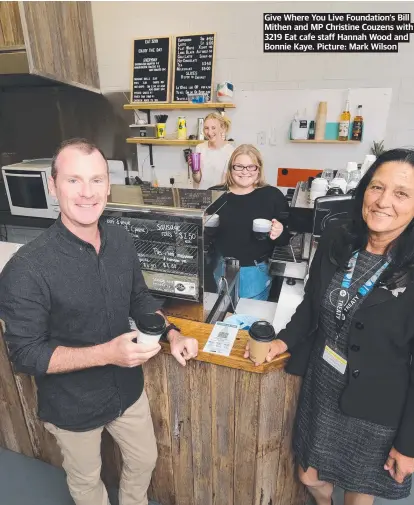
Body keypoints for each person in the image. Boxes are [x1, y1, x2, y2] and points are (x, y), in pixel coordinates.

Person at [245, 148, 414, 504]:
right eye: (377, 188)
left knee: (359, 492)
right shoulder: (337, 241)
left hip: (375, 403)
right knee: (308, 475)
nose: (383, 201)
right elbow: (311, 306)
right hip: (322, 386)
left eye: (401, 194)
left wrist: (410, 446)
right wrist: (284, 342)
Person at [0, 138, 199, 505]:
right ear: (53, 186)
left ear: (109, 186)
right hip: (71, 404)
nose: (88, 193)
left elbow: (139, 298)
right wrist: (107, 353)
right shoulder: (27, 268)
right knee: (87, 482)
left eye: (96, 180)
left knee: (145, 460)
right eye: (74, 180)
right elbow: (25, 356)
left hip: (126, 389)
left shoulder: (121, 240)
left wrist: (171, 333)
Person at [209, 143, 290, 300]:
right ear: (231, 168)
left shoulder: (272, 196)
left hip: (255, 270)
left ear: (258, 169)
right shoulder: (214, 195)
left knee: (249, 319)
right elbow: (204, 235)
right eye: (239, 166)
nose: (244, 172)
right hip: (220, 267)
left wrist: (279, 232)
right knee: (220, 317)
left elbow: (286, 238)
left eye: (251, 167)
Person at [192, 112, 234, 189]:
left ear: (222, 128)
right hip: (202, 196)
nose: (209, 132)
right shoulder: (200, 148)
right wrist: (195, 170)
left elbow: (228, 183)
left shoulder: (230, 151)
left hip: (221, 197)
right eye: (206, 128)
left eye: (213, 128)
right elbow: (197, 180)